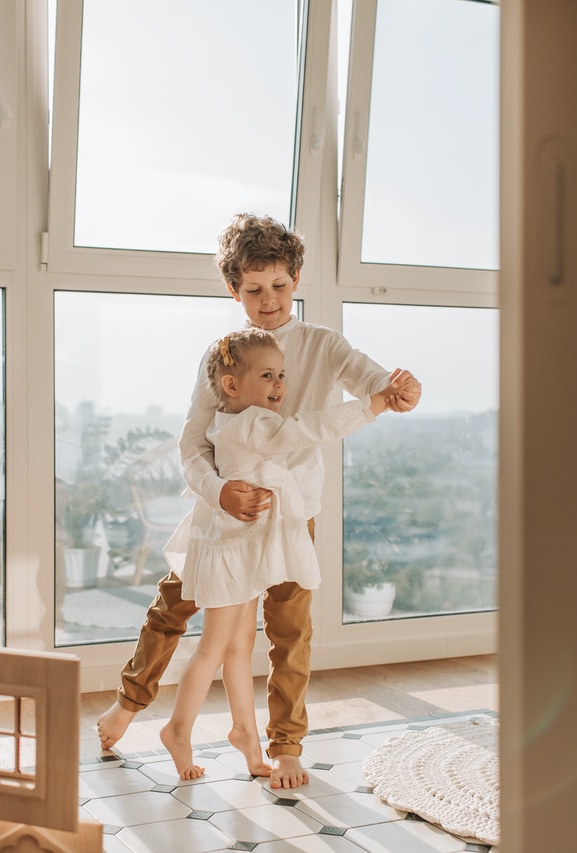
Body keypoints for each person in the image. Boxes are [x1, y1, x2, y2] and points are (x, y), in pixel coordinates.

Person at [97, 212, 421, 788]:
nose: (267, 299)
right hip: (221, 515)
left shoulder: (322, 345)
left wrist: (400, 390)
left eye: (278, 285)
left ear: (296, 279)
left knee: (289, 630)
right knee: (173, 607)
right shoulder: (224, 355)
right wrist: (219, 490)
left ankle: (285, 745)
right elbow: (193, 443)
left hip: (292, 514)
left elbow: (374, 384)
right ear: (234, 290)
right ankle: (129, 703)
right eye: (253, 289)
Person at [159, 328, 403, 780]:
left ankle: (245, 738)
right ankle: (177, 730)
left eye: (282, 375)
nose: (279, 386)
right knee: (214, 648)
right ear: (232, 385)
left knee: (239, 647)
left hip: (243, 543)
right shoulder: (255, 423)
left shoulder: (230, 418)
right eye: (268, 375)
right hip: (233, 548)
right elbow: (311, 428)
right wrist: (372, 405)